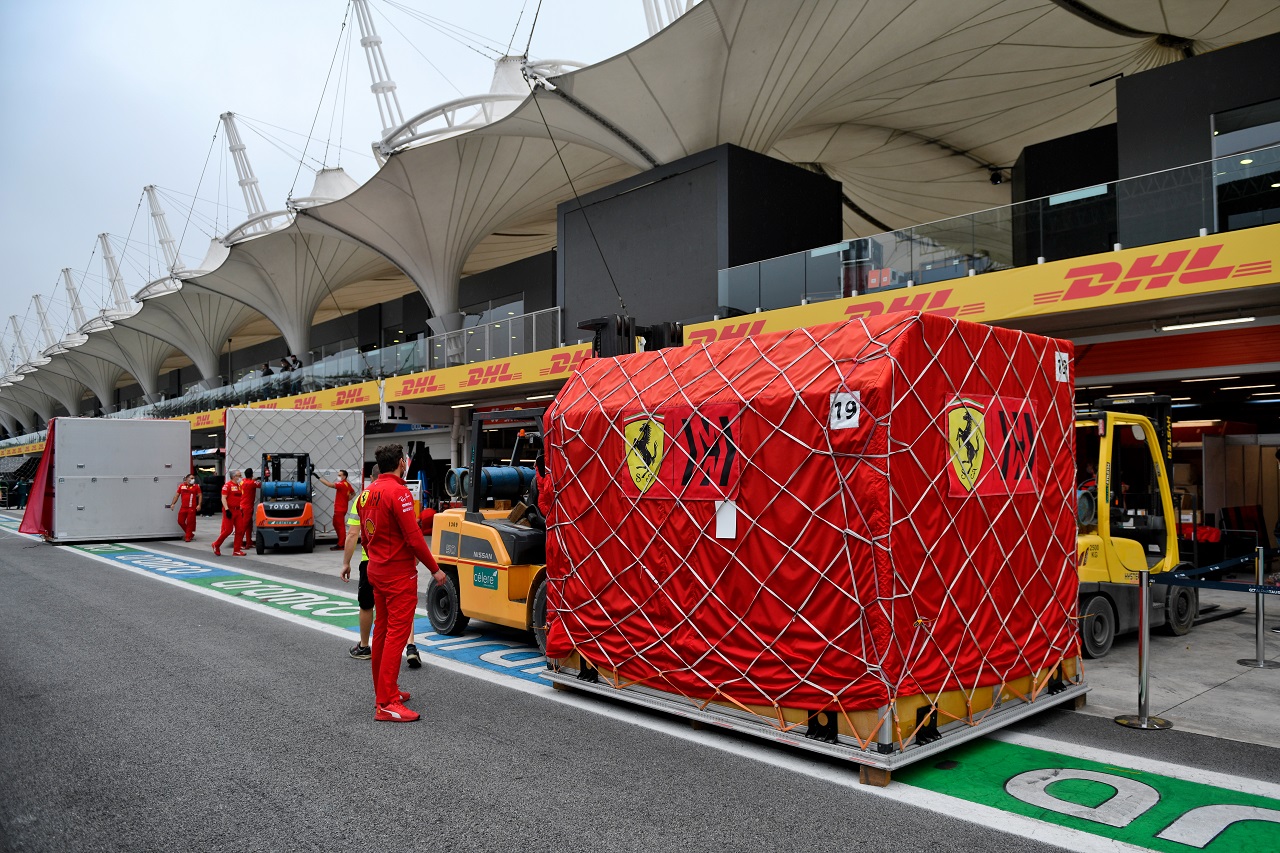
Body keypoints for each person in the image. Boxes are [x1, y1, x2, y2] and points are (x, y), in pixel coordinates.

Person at [356, 443, 445, 722]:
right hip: (398, 575)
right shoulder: (399, 492)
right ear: (401, 463)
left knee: (382, 631)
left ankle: (385, 691)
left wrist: (377, 558)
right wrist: (435, 569)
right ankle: (386, 703)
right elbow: (414, 537)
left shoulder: (366, 493)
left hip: (376, 570)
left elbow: (365, 537)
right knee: (397, 634)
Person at [315, 469, 357, 551]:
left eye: (340, 475)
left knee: (340, 526)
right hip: (342, 508)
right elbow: (353, 493)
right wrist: (346, 499)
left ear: (344, 476)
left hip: (339, 509)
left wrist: (318, 478)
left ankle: (341, 544)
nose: (338, 476)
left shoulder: (341, 484)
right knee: (336, 524)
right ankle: (341, 542)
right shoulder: (347, 484)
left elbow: (329, 485)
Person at [213, 469, 246, 557]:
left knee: (240, 530)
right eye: (239, 475)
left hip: (238, 510)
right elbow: (223, 498)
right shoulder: (227, 486)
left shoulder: (239, 486)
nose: (241, 477)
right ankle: (216, 544)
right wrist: (227, 510)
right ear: (234, 477)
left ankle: (236, 550)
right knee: (228, 530)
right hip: (229, 510)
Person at [169, 473, 202, 541]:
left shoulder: (196, 486)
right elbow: (177, 495)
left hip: (191, 507)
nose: (193, 480)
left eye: (193, 478)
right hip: (183, 507)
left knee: (190, 522)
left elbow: (200, 495)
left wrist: (199, 505)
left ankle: (188, 537)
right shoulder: (181, 486)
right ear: (187, 479)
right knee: (180, 521)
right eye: (191, 478)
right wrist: (173, 504)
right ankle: (190, 534)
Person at [238, 468, 259, 551]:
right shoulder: (252, 483)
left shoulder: (242, 481)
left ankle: (249, 542)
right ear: (252, 474)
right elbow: (261, 485)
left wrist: (254, 479)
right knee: (245, 525)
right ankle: (239, 543)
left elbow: (248, 482)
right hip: (248, 507)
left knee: (249, 525)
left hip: (242, 505)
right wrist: (257, 479)